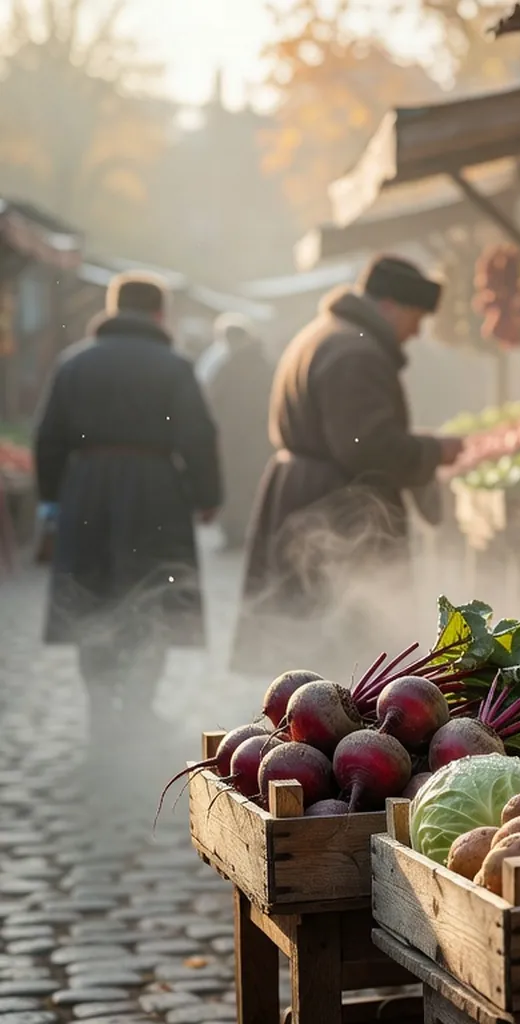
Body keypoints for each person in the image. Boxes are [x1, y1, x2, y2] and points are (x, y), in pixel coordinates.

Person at [232, 255, 463, 677]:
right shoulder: (356, 352)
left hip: (306, 492)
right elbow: (367, 447)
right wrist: (434, 450)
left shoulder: (327, 334)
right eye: (415, 318)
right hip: (335, 507)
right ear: (389, 305)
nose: (416, 332)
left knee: (309, 645)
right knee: (343, 651)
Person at [33, 272, 221, 750]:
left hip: (86, 491)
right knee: (153, 595)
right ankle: (138, 706)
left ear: (114, 308)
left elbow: (48, 438)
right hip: (155, 490)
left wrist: (52, 499)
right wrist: (207, 496)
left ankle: (100, 708)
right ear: (159, 313)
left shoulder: (74, 363)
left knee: (92, 596)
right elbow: (198, 436)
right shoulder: (174, 366)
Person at [196, 313, 275, 550]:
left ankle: (237, 533)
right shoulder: (263, 364)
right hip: (254, 439)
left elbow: (211, 401)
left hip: (236, 439)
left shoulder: (226, 366)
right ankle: (250, 533)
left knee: (237, 486)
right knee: (250, 486)